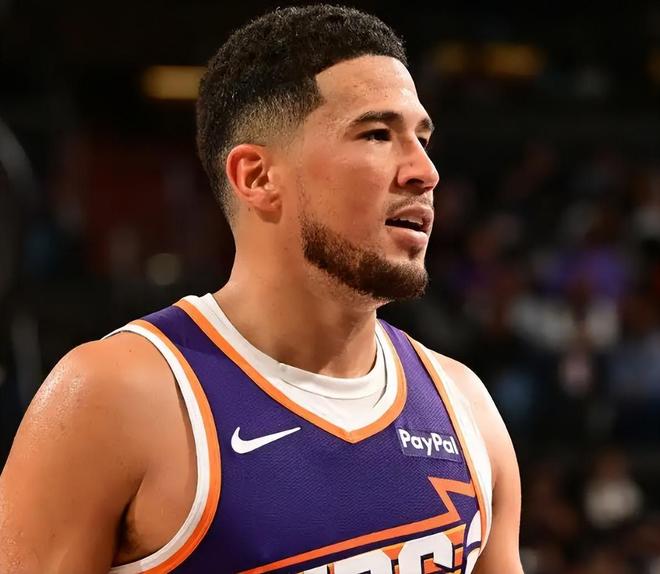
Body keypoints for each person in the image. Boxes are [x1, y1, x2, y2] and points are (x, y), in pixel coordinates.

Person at [0, 5, 522, 573]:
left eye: (421, 138)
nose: (425, 172)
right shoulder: (114, 397)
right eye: (377, 134)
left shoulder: (465, 409)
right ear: (257, 177)